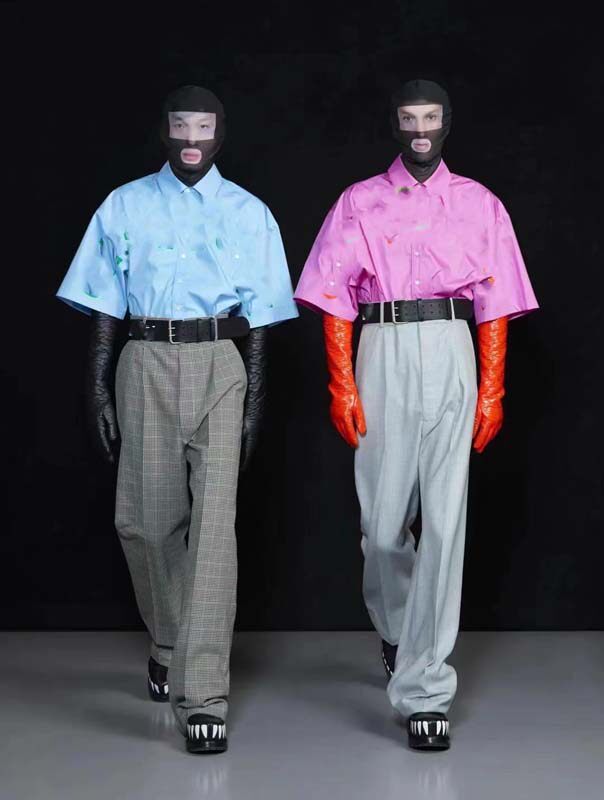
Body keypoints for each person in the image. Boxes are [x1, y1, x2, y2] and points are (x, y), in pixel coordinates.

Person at [294, 78, 538, 750]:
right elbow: (335, 295)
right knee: (381, 527)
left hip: (453, 345)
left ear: (447, 122)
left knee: (446, 521)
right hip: (384, 344)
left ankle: (426, 687)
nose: (421, 128)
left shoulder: (479, 203)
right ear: (395, 124)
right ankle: (400, 629)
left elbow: (495, 300)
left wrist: (493, 390)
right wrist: (342, 384)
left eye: (431, 117)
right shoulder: (359, 201)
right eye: (409, 117)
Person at [56, 85, 298, 754]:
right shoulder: (124, 205)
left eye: (204, 126)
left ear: (221, 133)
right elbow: (104, 301)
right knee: (144, 522)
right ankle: (168, 641)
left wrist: (255, 398)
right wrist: (97, 385)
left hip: (220, 361)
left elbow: (263, 318)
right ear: (164, 131)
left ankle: (204, 695)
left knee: (214, 530)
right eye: (181, 125)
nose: (192, 138)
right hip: (144, 359)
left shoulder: (249, 212)